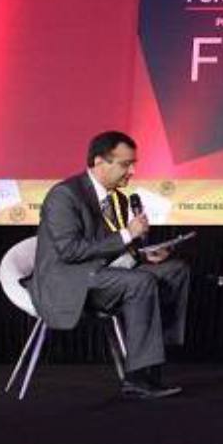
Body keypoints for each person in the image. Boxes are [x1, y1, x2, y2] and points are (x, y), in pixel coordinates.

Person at [28, 131, 189, 398]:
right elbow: (70, 251)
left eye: (133, 164)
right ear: (99, 162)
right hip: (71, 278)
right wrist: (128, 234)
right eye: (126, 164)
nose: (132, 171)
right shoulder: (64, 195)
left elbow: (110, 247)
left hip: (105, 273)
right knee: (140, 282)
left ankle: (155, 358)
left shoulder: (119, 199)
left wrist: (142, 255)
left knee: (174, 271)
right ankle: (137, 378)